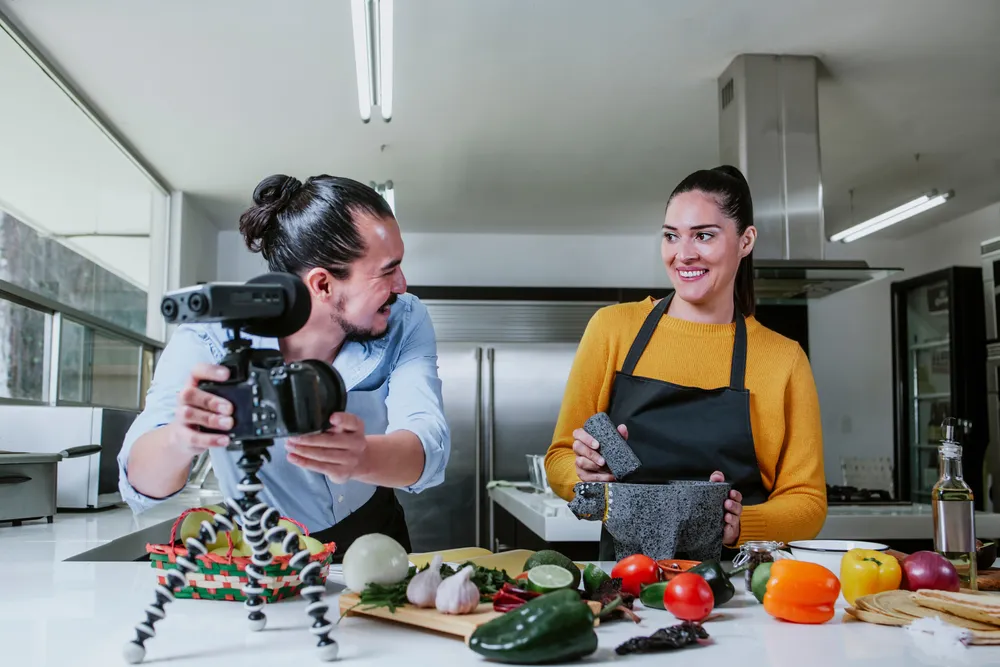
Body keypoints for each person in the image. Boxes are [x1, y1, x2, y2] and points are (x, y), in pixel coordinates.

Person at [118, 174, 450, 557]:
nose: (402, 285)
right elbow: (139, 483)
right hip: (266, 548)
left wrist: (363, 457)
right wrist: (181, 436)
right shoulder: (212, 337)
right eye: (387, 271)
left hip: (376, 532)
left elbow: (427, 438)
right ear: (323, 284)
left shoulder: (405, 319)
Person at [544, 165, 826, 558]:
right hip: (627, 582)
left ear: (746, 241)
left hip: (740, 586)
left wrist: (741, 525)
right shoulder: (612, 329)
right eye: (671, 236)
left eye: (704, 235)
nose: (684, 253)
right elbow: (558, 458)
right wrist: (585, 475)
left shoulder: (783, 359)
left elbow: (808, 502)